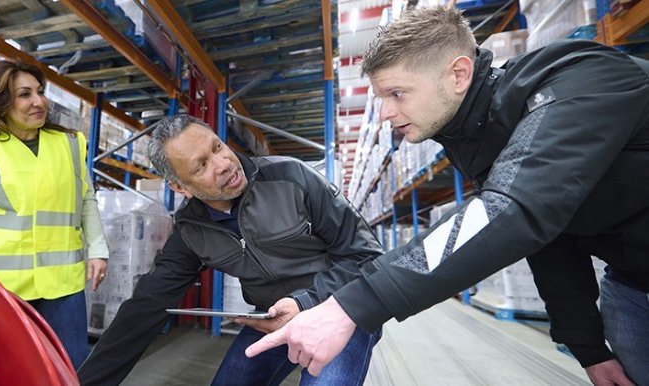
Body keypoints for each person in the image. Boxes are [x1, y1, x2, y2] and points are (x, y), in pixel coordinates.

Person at [246, 6, 649, 386]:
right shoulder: (474, 138)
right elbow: (548, 239)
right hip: (630, 284)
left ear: (458, 75)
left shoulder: (577, 79)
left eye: (397, 94)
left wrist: (351, 305)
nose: (385, 113)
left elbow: (512, 211)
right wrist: (589, 348)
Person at [77, 115, 384, 385]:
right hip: (272, 315)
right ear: (180, 188)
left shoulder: (293, 179)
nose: (224, 164)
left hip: (341, 307)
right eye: (202, 166)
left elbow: (367, 255)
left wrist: (305, 302)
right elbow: (147, 305)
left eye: (217, 147)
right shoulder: (192, 230)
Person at [0, 60, 109, 368]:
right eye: (25, 94)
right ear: (1, 103)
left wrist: (98, 249)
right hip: (0, 284)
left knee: (69, 367)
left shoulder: (69, 144)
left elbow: (85, 200)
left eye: (40, 92)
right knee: (9, 367)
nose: (38, 101)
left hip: (63, 285)